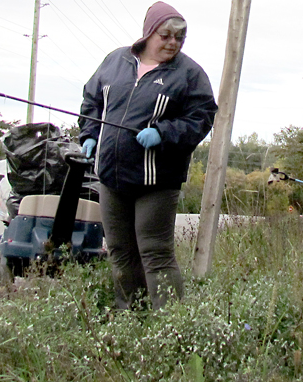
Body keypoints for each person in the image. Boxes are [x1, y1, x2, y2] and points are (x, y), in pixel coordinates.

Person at [78, 2, 218, 310]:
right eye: (165, 35)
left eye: (179, 38)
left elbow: (202, 117)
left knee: (155, 252)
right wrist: (88, 134)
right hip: (111, 177)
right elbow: (91, 99)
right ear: (149, 32)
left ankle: (170, 325)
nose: (172, 43)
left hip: (157, 181)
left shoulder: (189, 74)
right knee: (119, 251)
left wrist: (164, 132)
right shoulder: (115, 61)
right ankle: (128, 317)